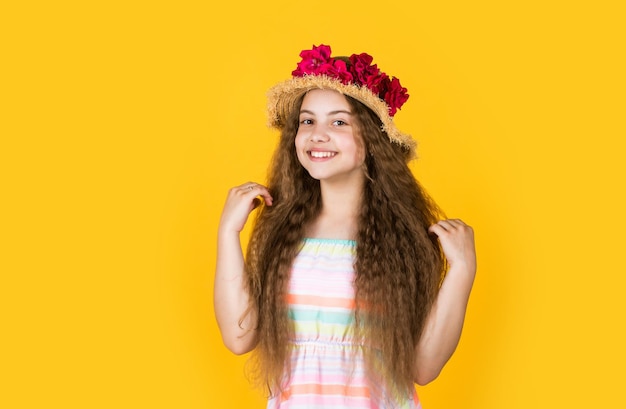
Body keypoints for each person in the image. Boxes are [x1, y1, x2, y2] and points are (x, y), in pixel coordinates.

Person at [215, 44, 476, 408]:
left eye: (338, 121)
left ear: (371, 140)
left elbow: (423, 367)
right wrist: (228, 233)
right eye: (308, 121)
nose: (317, 134)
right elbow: (239, 338)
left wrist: (462, 269)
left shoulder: (402, 238)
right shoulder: (280, 228)